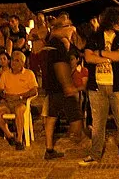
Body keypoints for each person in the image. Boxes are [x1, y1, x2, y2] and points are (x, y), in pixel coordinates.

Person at [79, 7, 119, 167]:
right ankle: (95, 154)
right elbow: (88, 57)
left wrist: (102, 54)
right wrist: (112, 57)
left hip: (118, 86)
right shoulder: (94, 36)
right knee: (98, 123)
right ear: (111, 21)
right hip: (97, 86)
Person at [39, 23, 83, 160]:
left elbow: (80, 46)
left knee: (51, 117)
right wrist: (67, 85)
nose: (71, 28)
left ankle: (49, 148)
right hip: (61, 87)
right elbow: (60, 65)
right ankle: (78, 145)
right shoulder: (57, 44)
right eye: (68, 26)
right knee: (76, 120)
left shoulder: (51, 43)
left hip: (52, 86)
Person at [0, 50, 38, 150]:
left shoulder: (29, 74)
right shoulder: (5, 74)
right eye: (12, 59)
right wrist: (4, 96)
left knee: (19, 110)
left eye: (17, 60)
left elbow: (34, 91)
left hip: (21, 101)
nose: (13, 62)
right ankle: (9, 135)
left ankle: (19, 139)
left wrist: (20, 96)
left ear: (22, 62)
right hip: (7, 101)